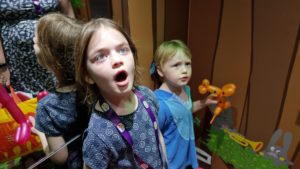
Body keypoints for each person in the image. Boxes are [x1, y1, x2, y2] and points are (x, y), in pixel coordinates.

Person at [74, 18, 168, 169]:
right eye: (100, 56)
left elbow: (157, 136)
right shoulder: (98, 135)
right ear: (87, 75)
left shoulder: (148, 96)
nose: (117, 60)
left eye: (122, 50)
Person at [32, 13, 89, 169]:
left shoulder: (47, 107)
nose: (33, 42)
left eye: (36, 41)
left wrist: (41, 133)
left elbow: (59, 157)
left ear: (49, 58)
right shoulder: (95, 87)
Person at [150, 40, 217, 169]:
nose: (185, 70)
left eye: (188, 64)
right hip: (171, 161)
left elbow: (185, 110)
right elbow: (154, 137)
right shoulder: (160, 103)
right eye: (176, 65)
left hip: (187, 154)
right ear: (160, 70)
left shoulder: (186, 89)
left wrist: (204, 102)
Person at [0, 0, 75, 94]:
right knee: (26, 101)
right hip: (16, 60)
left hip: (54, 53)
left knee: (61, 94)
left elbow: (69, 17)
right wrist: (2, 65)